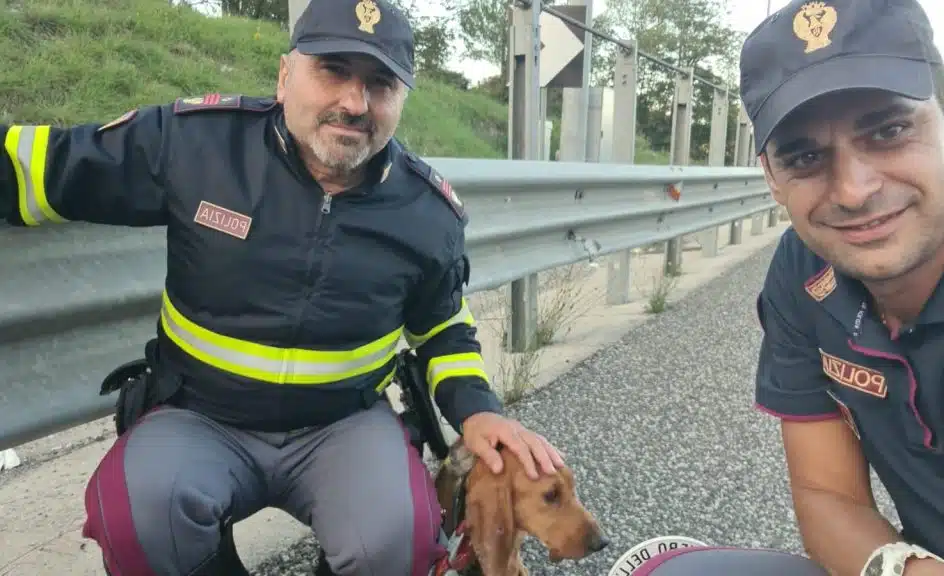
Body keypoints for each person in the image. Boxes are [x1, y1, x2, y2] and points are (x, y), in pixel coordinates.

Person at [0, 0, 565, 574]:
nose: (354, 102)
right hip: (200, 414)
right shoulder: (194, 146)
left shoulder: (428, 214)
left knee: (398, 544)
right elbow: (43, 167)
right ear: (284, 75)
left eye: (380, 84)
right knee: (137, 516)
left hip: (342, 425)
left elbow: (443, 330)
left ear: (402, 100)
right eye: (333, 70)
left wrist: (477, 411)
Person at [742, 0, 944, 575]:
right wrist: (907, 569)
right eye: (805, 156)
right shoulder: (803, 270)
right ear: (772, 177)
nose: (851, 190)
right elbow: (827, 495)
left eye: (889, 130)